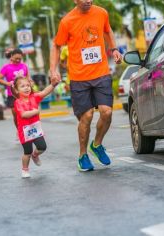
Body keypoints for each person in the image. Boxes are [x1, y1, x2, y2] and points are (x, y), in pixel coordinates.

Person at [50, 0, 123, 171]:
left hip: (101, 73)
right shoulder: (67, 21)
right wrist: (53, 69)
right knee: (87, 116)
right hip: (79, 77)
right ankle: (83, 155)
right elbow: (56, 45)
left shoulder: (101, 13)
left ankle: (97, 145)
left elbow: (108, 30)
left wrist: (114, 49)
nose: (88, 1)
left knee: (107, 112)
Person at [13, 76, 58, 178]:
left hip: (35, 128)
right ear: (16, 90)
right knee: (27, 152)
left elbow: (45, 92)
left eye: (28, 85)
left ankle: (35, 155)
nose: (26, 88)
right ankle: (25, 169)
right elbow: (23, 114)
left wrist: (53, 84)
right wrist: (35, 111)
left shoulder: (34, 97)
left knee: (42, 147)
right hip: (25, 131)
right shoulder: (18, 102)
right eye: (22, 86)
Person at [0, 48, 31, 131]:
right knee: (16, 115)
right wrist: (7, 83)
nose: (18, 60)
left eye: (20, 58)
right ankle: (19, 130)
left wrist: (30, 83)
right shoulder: (6, 67)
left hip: (24, 94)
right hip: (12, 95)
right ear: (11, 57)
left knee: (27, 113)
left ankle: (28, 130)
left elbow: (28, 78)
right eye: (16, 58)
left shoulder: (24, 66)